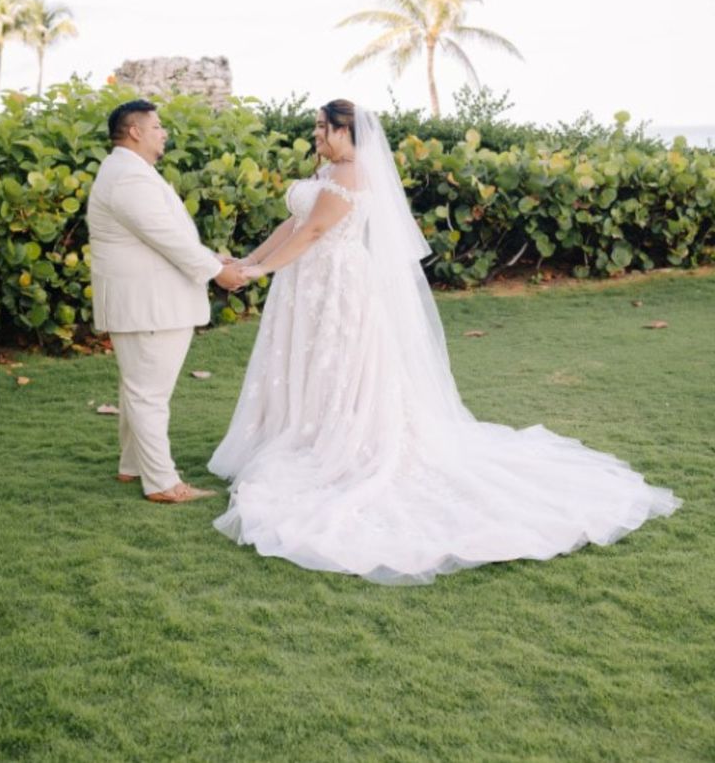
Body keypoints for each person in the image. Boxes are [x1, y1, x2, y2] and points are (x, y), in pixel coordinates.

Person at [208, 99, 681, 584]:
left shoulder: (350, 175)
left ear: (346, 131)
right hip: (307, 282)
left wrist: (261, 270)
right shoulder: (330, 168)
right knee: (308, 360)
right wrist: (248, 259)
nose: (316, 134)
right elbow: (292, 225)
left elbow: (314, 230)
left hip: (335, 283)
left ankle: (332, 438)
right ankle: (300, 426)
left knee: (337, 362)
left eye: (322, 127)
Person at [88, 99, 247, 504]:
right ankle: (161, 482)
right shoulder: (128, 177)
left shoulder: (130, 172)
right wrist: (218, 272)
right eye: (157, 126)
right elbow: (167, 239)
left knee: (137, 388)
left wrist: (212, 257)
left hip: (148, 300)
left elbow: (161, 237)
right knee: (148, 394)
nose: (164, 133)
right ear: (135, 131)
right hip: (150, 303)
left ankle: (132, 465)